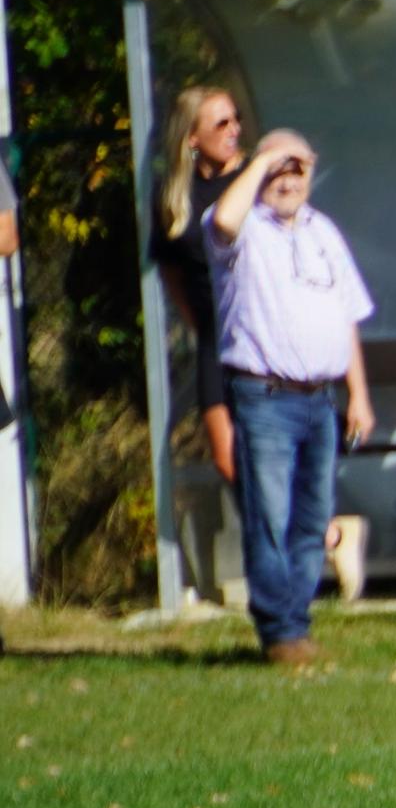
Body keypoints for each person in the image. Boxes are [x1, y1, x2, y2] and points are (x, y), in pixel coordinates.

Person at [203, 128, 375, 665]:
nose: (286, 178)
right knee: (270, 516)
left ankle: (295, 620)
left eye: (297, 167)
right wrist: (265, 160)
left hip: (319, 399)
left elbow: (345, 315)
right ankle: (280, 631)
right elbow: (224, 219)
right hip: (264, 396)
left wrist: (359, 394)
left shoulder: (324, 232)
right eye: (277, 167)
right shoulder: (242, 227)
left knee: (312, 517)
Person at [154, 86, 250, 581]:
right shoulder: (175, 195)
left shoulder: (253, 181)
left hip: (260, 334)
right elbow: (170, 267)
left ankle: (304, 539)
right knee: (225, 452)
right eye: (221, 124)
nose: (234, 131)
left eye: (235, 121)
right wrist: (195, 323)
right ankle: (319, 535)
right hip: (216, 335)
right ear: (192, 138)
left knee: (270, 445)